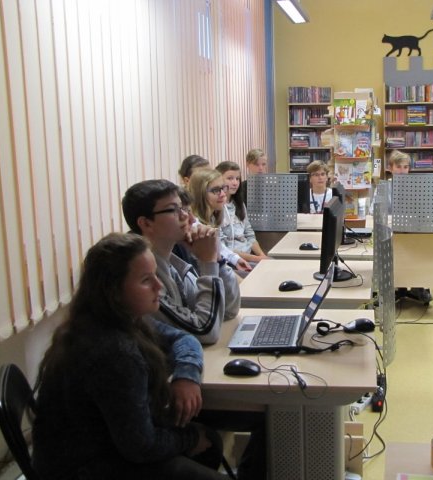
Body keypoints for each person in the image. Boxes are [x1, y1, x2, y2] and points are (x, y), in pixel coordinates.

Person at [32, 232, 228, 480]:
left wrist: (187, 375)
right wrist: (189, 439)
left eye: (155, 275)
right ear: (113, 291)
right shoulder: (113, 352)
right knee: (203, 440)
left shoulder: (119, 319)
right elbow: (141, 447)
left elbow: (183, 338)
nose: (158, 286)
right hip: (88, 468)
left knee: (210, 442)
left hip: (111, 449)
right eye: (146, 280)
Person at [122, 179, 240, 345]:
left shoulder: (173, 263)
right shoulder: (145, 279)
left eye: (183, 208)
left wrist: (217, 261)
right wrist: (208, 263)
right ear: (146, 223)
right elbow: (204, 331)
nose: (187, 217)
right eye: (173, 210)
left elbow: (228, 310)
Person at [388, 150, 433, 305]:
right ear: (390, 168)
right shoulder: (385, 188)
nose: (402, 171)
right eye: (398, 167)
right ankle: (401, 286)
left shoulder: (417, 187)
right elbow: (376, 212)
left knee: (422, 246)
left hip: (413, 233)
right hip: (392, 234)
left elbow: (425, 211)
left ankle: (417, 285)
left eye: (405, 167)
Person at [216, 161, 268, 265]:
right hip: (233, 261)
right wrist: (258, 259)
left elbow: (249, 234)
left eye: (237, 179)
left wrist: (262, 256)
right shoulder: (216, 208)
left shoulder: (239, 204)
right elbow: (224, 248)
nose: (235, 183)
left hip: (249, 256)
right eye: (230, 178)